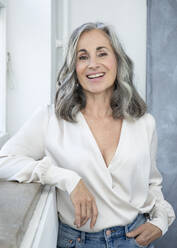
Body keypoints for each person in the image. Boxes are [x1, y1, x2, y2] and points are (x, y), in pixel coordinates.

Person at [0, 22, 175, 248]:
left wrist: (161, 220)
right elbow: (4, 161)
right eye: (83, 57)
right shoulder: (51, 119)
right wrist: (69, 179)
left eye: (102, 53)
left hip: (135, 239)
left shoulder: (143, 123)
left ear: (118, 61)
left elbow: (152, 184)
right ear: (74, 66)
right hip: (76, 242)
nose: (93, 64)